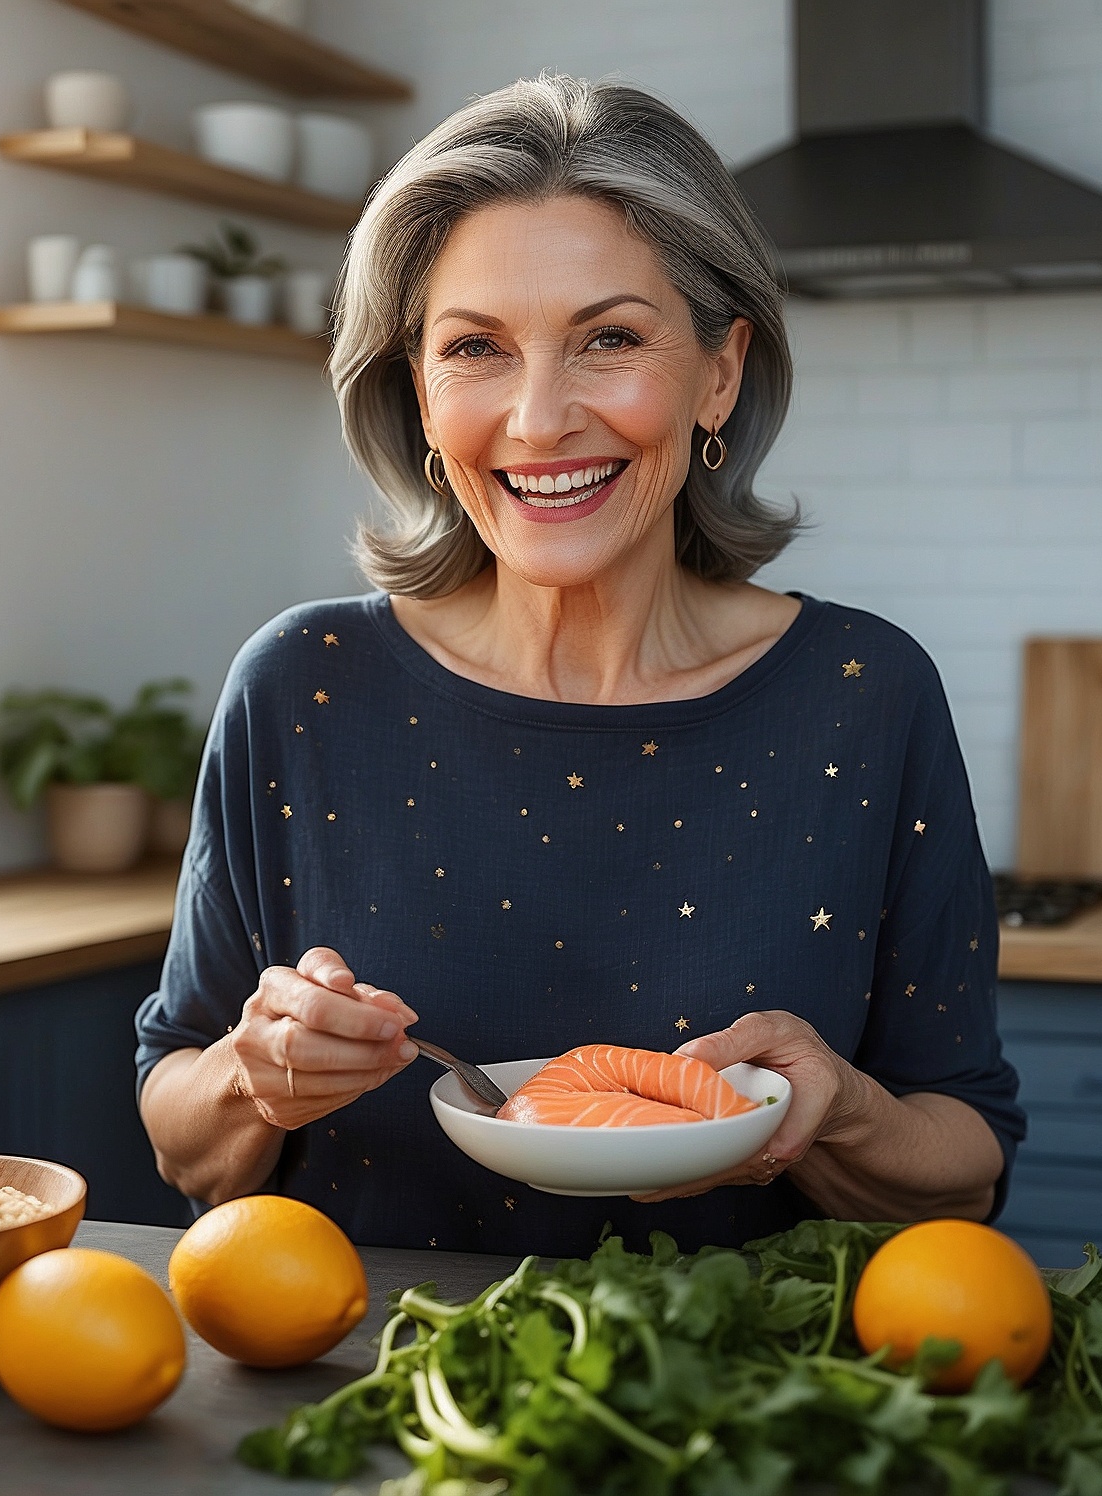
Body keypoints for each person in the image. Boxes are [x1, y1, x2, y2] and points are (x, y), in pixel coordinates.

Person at [135, 75, 1023, 1258]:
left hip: (749, 1407)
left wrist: (839, 1111)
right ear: (418, 392)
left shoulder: (865, 693)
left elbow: (963, 1169)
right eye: (475, 349)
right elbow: (176, 1131)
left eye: (608, 338)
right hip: (361, 1403)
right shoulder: (302, 684)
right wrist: (255, 1073)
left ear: (719, 372)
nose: (539, 417)